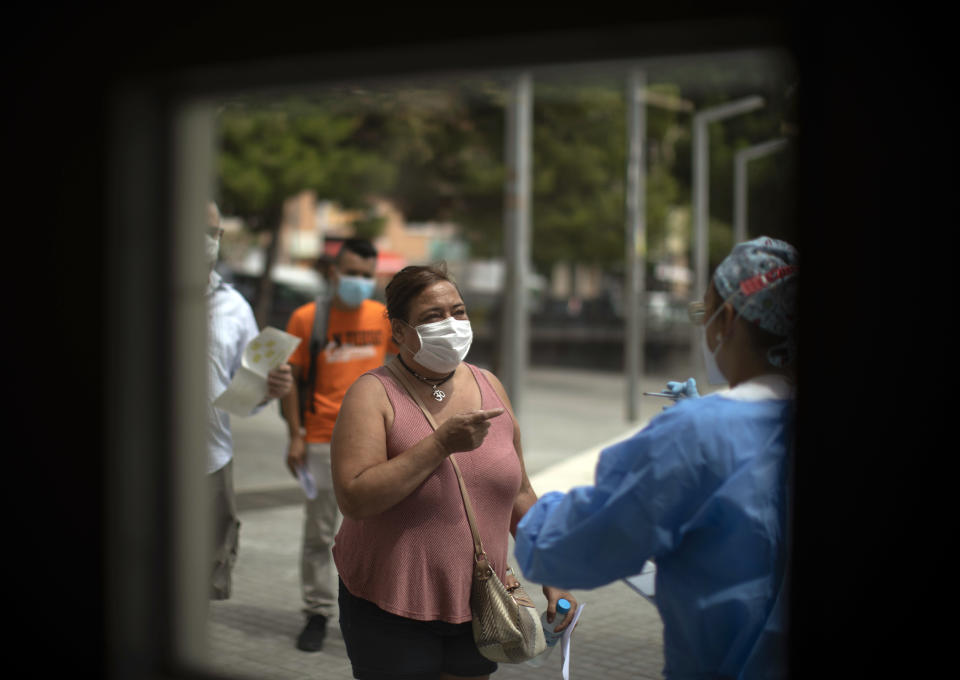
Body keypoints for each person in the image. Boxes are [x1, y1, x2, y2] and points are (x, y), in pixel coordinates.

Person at [514, 236, 799, 679]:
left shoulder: (694, 437)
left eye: (703, 313)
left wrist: (524, 505)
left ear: (725, 320)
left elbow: (572, 545)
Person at [329, 263, 578, 680]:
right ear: (399, 331)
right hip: (389, 603)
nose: (452, 324)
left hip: (479, 601)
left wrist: (553, 572)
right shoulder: (372, 394)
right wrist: (440, 445)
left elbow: (519, 492)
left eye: (458, 312)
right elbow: (354, 497)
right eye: (432, 316)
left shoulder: (489, 384)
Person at [280, 238, 397, 652]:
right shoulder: (307, 318)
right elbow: (291, 381)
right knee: (319, 532)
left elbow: (402, 368)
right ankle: (317, 612)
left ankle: (377, 612)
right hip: (319, 439)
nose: (358, 282)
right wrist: (294, 434)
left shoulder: (384, 317)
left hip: (376, 441)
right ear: (333, 272)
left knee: (379, 532)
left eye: (367, 275)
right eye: (351, 272)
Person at [205, 201, 293, 600]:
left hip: (211, 460)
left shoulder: (234, 308)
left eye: (211, 232)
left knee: (204, 574)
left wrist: (269, 389)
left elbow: (248, 394)